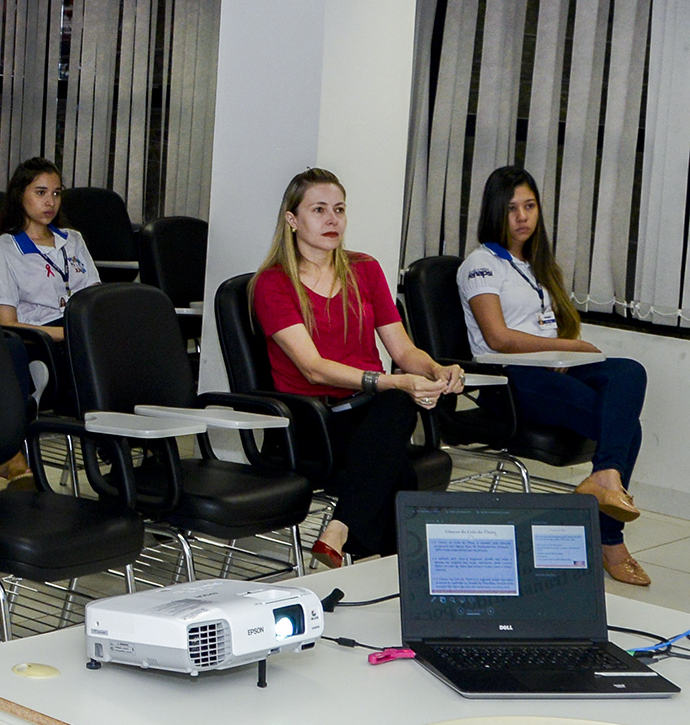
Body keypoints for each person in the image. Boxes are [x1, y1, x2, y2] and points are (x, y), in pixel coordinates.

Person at [253, 168, 465, 566]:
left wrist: (437, 369)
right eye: (319, 210)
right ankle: (410, 569)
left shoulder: (364, 268)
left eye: (339, 209)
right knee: (399, 469)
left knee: (398, 406)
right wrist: (387, 381)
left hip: (369, 414)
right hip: (312, 421)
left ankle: (341, 528)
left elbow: (403, 350)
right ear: (292, 219)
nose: (333, 219)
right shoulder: (273, 283)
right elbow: (313, 368)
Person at [459, 165, 650, 585]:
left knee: (629, 373)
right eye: (511, 209)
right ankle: (610, 540)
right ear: (495, 212)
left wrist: (564, 351)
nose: (523, 217)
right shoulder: (481, 264)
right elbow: (499, 337)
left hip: (552, 370)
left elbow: (545, 326)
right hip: (509, 380)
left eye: (529, 206)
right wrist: (569, 346)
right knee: (627, 428)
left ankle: (603, 477)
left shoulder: (535, 264)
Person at [0, 158, 99, 341]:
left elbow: (95, 299)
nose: (50, 202)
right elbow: (5, 323)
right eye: (41, 193)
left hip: (81, 327)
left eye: (56, 194)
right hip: (43, 339)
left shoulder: (73, 239)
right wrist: (71, 334)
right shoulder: (1, 249)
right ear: (19, 195)